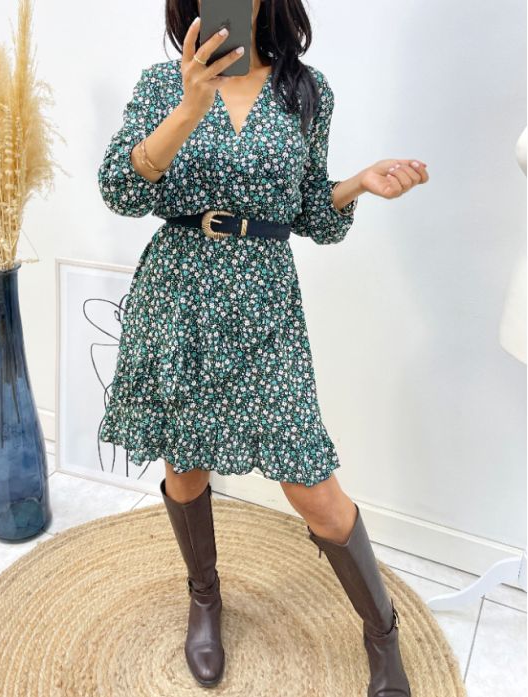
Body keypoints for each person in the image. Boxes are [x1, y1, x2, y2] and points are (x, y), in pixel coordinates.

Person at [97, 0, 428, 692]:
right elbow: (120, 190)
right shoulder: (163, 84)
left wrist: (356, 185)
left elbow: (311, 215)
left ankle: (382, 633)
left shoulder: (306, 91)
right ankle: (205, 598)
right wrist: (189, 107)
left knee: (315, 487)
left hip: (264, 303)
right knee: (186, 464)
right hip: (181, 294)